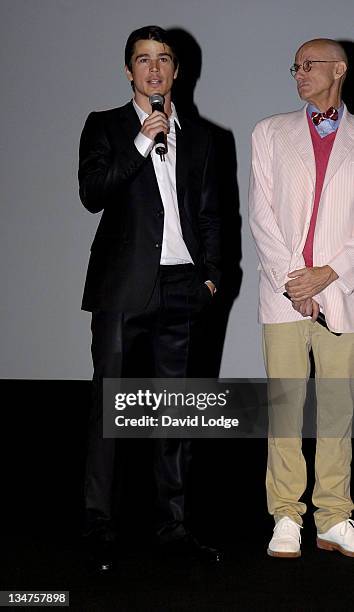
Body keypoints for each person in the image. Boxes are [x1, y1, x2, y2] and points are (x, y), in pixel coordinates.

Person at [78, 25, 221, 570]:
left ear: (177, 70)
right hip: (123, 290)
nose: (154, 69)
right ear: (129, 70)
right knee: (110, 408)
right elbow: (93, 194)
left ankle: (173, 528)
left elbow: (210, 214)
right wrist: (142, 140)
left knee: (175, 413)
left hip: (184, 288)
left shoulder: (204, 137)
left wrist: (209, 276)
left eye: (164, 59)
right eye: (143, 60)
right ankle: (99, 525)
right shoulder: (105, 126)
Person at [249, 38, 354, 558]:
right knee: (286, 407)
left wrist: (330, 273)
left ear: (339, 69)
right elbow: (261, 215)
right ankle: (286, 515)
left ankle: (334, 515)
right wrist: (296, 282)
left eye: (310, 65)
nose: (299, 73)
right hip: (283, 294)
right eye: (295, 66)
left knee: (338, 408)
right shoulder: (269, 132)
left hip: (345, 292)